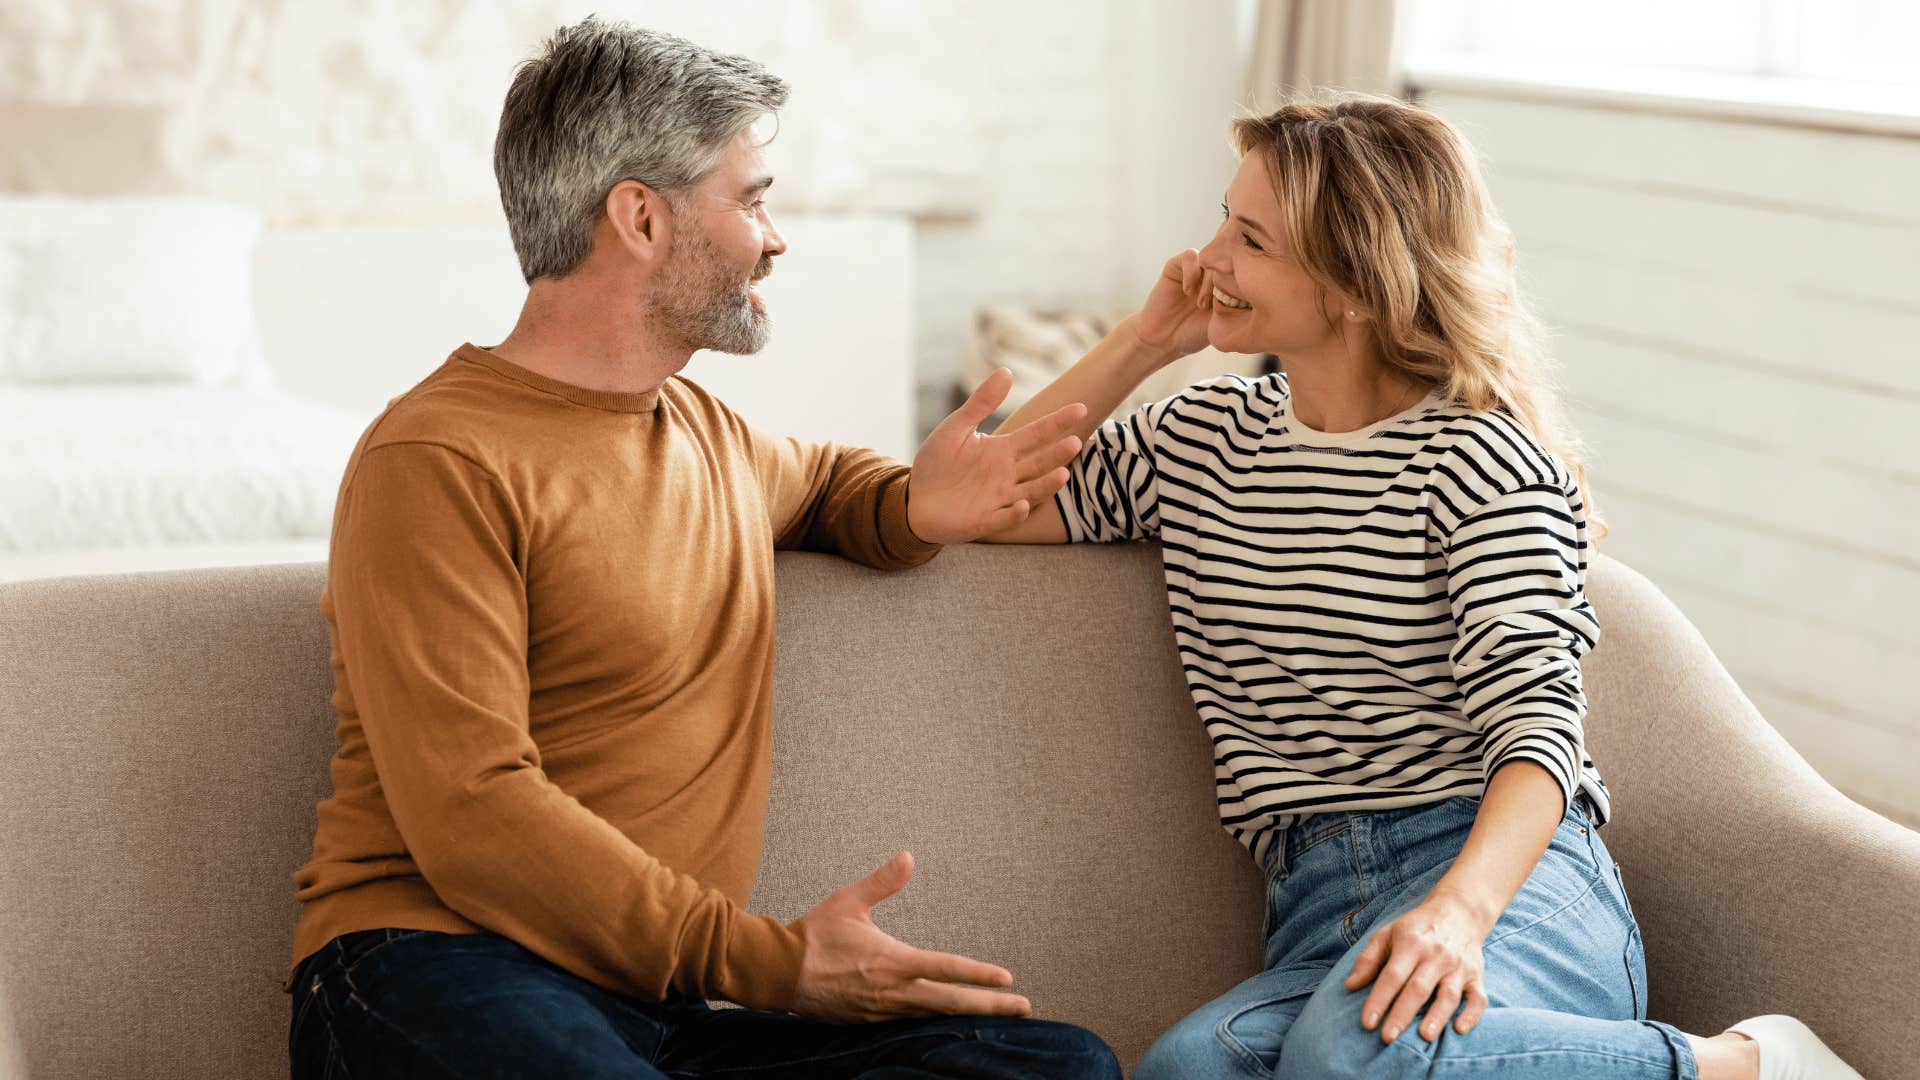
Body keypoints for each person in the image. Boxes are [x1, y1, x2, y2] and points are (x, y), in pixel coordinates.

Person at [285, 18, 1121, 1079]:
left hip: (653, 1006)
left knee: (1053, 1066)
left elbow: (824, 484)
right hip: (433, 964)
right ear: (639, 217)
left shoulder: (706, 434)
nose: (775, 239)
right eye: (752, 198)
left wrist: (916, 508)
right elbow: (473, 810)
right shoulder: (438, 457)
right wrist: (771, 962)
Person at [984, 93, 1862, 1080]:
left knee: (1352, 1055)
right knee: (1190, 1070)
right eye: (1222, 221)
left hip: (1509, 890)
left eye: (1252, 239)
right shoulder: (1199, 441)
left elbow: (1539, 734)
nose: (1208, 261)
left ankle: (1747, 1067)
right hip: (1317, 904)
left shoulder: (1480, 458)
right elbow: (979, 503)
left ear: (1354, 282)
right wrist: (1143, 342)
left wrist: (1458, 913)